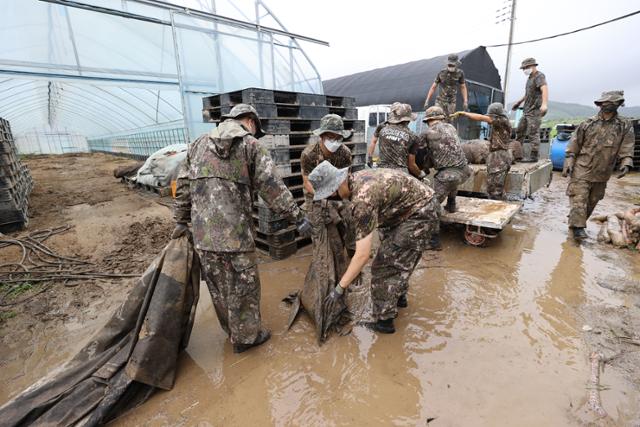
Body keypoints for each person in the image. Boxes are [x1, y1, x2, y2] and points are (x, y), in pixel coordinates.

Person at [172, 104, 312, 353]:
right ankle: (247, 338)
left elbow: (183, 186)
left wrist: (180, 221)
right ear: (249, 121)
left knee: (219, 288)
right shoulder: (251, 146)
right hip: (237, 237)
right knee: (244, 287)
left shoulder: (197, 144)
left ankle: (232, 333)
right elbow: (272, 189)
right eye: (255, 127)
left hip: (204, 238)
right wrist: (297, 217)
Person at [308, 161, 440, 334]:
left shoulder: (362, 201)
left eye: (330, 195)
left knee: (383, 267)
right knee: (397, 260)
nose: (332, 199)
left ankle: (384, 321)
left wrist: (339, 289)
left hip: (419, 213)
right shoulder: (355, 179)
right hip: (406, 209)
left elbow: (363, 256)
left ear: (337, 185)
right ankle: (398, 298)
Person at [562, 91, 635, 241]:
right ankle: (578, 229)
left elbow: (627, 144)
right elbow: (574, 144)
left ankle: (576, 222)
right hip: (582, 167)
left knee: (592, 200)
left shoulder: (624, 125)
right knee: (579, 198)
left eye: (608, 103)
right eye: (603, 103)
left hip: (603, 171)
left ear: (617, 104)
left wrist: (626, 161)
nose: (604, 105)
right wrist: (569, 161)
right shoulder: (588, 123)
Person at [412, 105, 469, 249]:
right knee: (451, 180)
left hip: (449, 175)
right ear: (441, 118)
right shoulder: (451, 128)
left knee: (431, 205)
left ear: (428, 120)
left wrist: (419, 170)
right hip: (465, 170)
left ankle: (433, 241)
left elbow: (419, 154)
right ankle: (451, 205)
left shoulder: (426, 133)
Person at [301, 114, 354, 252]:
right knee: (320, 233)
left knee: (351, 220)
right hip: (315, 194)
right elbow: (307, 182)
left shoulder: (345, 153)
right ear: (322, 136)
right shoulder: (309, 154)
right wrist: (323, 195)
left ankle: (351, 250)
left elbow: (345, 184)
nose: (335, 141)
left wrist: (343, 199)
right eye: (331, 137)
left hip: (337, 192)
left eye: (338, 138)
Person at [455, 103, 512, 199]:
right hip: (499, 156)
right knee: (495, 188)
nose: (489, 118)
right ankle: (500, 207)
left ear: (496, 115)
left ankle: (498, 211)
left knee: (495, 190)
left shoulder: (501, 120)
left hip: (499, 157)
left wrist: (465, 114)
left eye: (491, 116)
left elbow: (482, 118)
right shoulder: (502, 122)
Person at [367, 102, 422, 177]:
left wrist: (370, 158)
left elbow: (373, 142)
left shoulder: (382, 126)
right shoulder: (413, 136)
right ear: (408, 120)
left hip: (383, 170)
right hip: (401, 173)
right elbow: (411, 165)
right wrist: (421, 174)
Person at [511, 57, 548, 162]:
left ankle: (534, 156)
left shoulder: (539, 76)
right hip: (526, 111)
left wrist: (544, 104)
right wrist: (519, 102)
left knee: (533, 133)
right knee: (520, 131)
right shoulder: (530, 78)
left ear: (532, 66)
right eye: (523, 68)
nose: (524, 70)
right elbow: (527, 94)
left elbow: (544, 89)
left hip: (535, 110)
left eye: (526, 67)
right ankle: (517, 154)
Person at [423, 54, 468, 121]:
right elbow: (433, 87)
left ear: (456, 64)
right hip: (440, 101)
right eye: (449, 65)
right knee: (436, 118)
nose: (451, 66)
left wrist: (465, 101)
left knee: (449, 120)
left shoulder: (460, 73)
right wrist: (427, 100)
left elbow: (463, 87)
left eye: (452, 65)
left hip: (451, 102)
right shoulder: (441, 73)